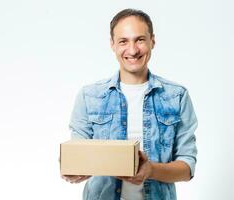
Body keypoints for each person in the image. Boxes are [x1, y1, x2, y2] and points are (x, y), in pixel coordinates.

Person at [61, 8, 197, 200]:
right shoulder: (89, 96)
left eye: (140, 39)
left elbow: (187, 166)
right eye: (123, 41)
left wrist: (151, 170)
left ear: (152, 41)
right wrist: (72, 168)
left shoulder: (177, 96)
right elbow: (79, 156)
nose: (132, 50)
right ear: (113, 45)